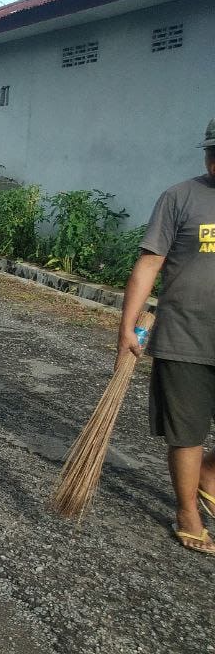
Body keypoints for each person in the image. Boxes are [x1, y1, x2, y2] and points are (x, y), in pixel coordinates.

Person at [117, 118, 215, 557]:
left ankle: (208, 475)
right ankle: (187, 512)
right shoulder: (180, 197)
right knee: (187, 430)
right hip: (185, 334)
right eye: (211, 151)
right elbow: (149, 263)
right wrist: (127, 324)